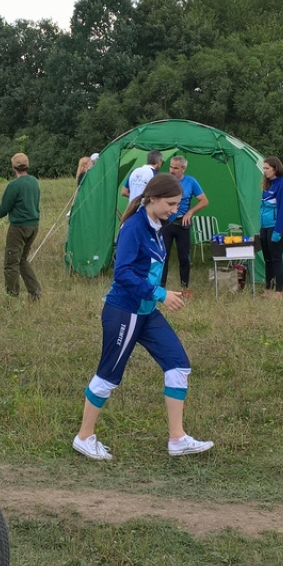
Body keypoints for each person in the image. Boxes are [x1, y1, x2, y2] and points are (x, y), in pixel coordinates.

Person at [72, 173, 213, 461]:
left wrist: (157, 294)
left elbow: (146, 269)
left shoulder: (159, 225)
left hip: (146, 311)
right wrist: (160, 294)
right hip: (124, 311)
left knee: (178, 366)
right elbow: (122, 273)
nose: (175, 210)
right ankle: (84, 437)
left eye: (177, 205)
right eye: (171, 204)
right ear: (152, 198)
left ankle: (177, 439)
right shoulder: (134, 226)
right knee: (109, 376)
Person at [0, 152, 42, 299]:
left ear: (13, 167)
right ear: (27, 165)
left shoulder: (14, 185)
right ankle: (35, 291)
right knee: (22, 260)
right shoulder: (34, 181)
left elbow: (4, 208)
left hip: (18, 227)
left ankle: (12, 295)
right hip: (33, 225)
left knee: (11, 262)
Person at [160, 155, 208, 298]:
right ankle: (161, 288)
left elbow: (204, 201)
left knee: (184, 258)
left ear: (183, 168)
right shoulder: (165, 181)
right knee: (163, 257)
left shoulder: (191, 181)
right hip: (166, 224)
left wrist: (190, 212)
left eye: (175, 168)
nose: (172, 170)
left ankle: (185, 288)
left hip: (182, 224)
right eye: (170, 167)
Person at [259, 156, 283, 298]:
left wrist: (278, 230)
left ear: (275, 168)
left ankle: (279, 292)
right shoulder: (268, 185)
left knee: (276, 258)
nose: (264, 171)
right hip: (265, 227)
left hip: (276, 227)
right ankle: (268, 289)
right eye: (264, 168)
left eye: (267, 168)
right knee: (268, 260)